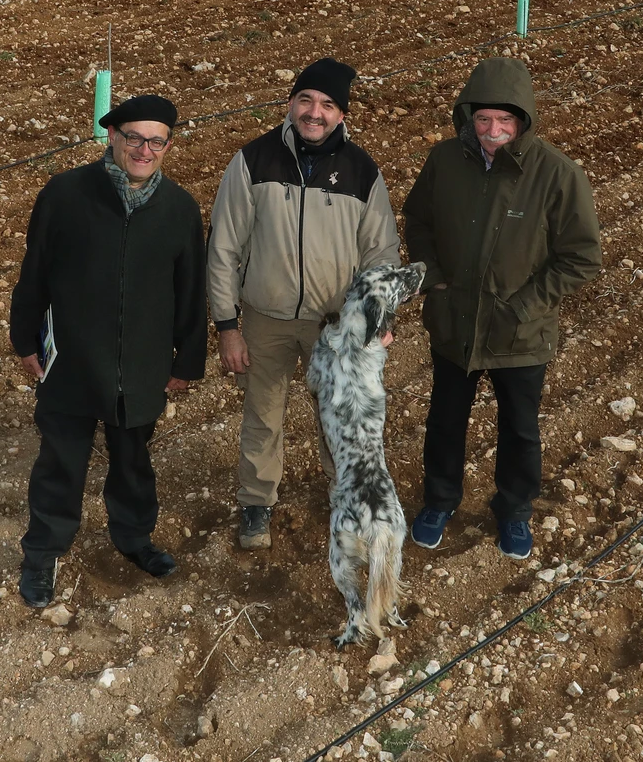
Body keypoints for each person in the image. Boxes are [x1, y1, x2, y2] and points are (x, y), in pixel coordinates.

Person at [9, 94, 207, 607]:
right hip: (72, 361)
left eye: (156, 140)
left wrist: (187, 358)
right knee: (61, 462)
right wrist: (24, 338)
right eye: (134, 137)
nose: (145, 149)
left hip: (140, 364)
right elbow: (35, 272)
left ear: (168, 145)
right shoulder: (66, 194)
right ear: (112, 137)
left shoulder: (180, 208)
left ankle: (134, 539)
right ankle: (42, 555)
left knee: (133, 461)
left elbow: (190, 291)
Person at [402, 57, 602, 560]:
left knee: (520, 426)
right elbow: (417, 221)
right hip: (455, 322)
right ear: (468, 116)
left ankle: (514, 510)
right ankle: (439, 501)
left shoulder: (557, 174)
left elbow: (581, 257)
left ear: (524, 122)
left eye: (505, 121)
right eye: (484, 119)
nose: (493, 131)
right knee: (446, 419)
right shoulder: (445, 161)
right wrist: (435, 280)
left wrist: (525, 306)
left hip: (520, 332)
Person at [207, 57, 401, 550]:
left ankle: (346, 499)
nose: (314, 111)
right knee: (263, 413)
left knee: (340, 414)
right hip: (264, 319)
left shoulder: (361, 170)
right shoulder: (253, 160)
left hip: (333, 325)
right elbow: (224, 247)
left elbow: (381, 252)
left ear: (341, 114)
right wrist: (227, 326)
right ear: (290, 103)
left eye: (328, 104)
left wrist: (379, 318)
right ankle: (256, 505)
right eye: (306, 100)